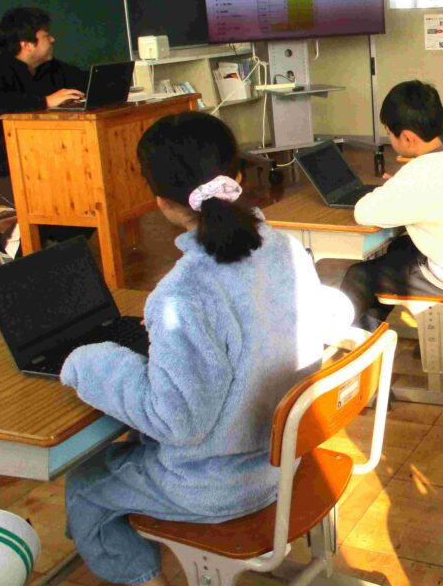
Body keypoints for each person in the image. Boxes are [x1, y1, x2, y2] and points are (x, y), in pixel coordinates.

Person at [61, 112, 337, 586]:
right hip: (281, 464)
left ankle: (141, 577)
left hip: (215, 487)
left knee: (85, 485)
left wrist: (90, 362)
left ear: (162, 203)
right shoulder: (287, 249)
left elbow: (177, 422)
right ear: (239, 176)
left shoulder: (182, 293)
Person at [340, 81, 443, 331]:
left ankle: (353, 339)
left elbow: (363, 212)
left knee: (359, 275)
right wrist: (400, 188)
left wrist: (393, 189)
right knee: (398, 249)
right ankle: (371, 331)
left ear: (407, 137)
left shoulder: (419, 174)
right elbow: (432, 194)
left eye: (389, 132)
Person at [0, 7, 89, 255]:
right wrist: (45, 101)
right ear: (27, 44)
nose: (52, 39)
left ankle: (29, 246)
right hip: (3, 174)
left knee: (85, 198)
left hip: (48, 168)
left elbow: (88, 81)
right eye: (46, 35)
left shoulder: (51, 68)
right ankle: (15, 247)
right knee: (58, 201)